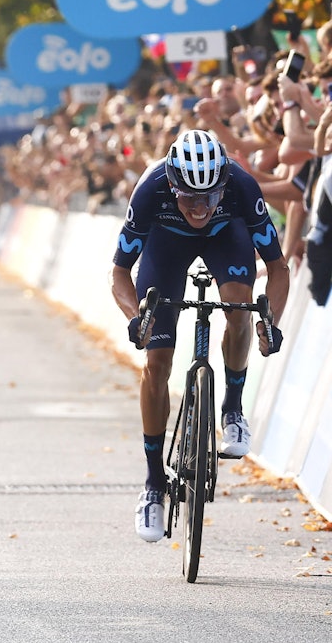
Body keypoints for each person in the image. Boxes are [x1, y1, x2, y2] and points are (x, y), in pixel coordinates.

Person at [110, 129, 289, 543]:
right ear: (172, 185)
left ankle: (232, 408)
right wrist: (136, 317)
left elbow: (279, 268)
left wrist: (271, 322)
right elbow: (119, 270)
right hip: (165, 246)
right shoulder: (150, 188)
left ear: (223, 184)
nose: (200, 207)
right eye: (189, 197)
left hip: (228, 238)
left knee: (239, 309)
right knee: (157, 361)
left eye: (210, 196)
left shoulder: (242, 185)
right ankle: (153, 484)